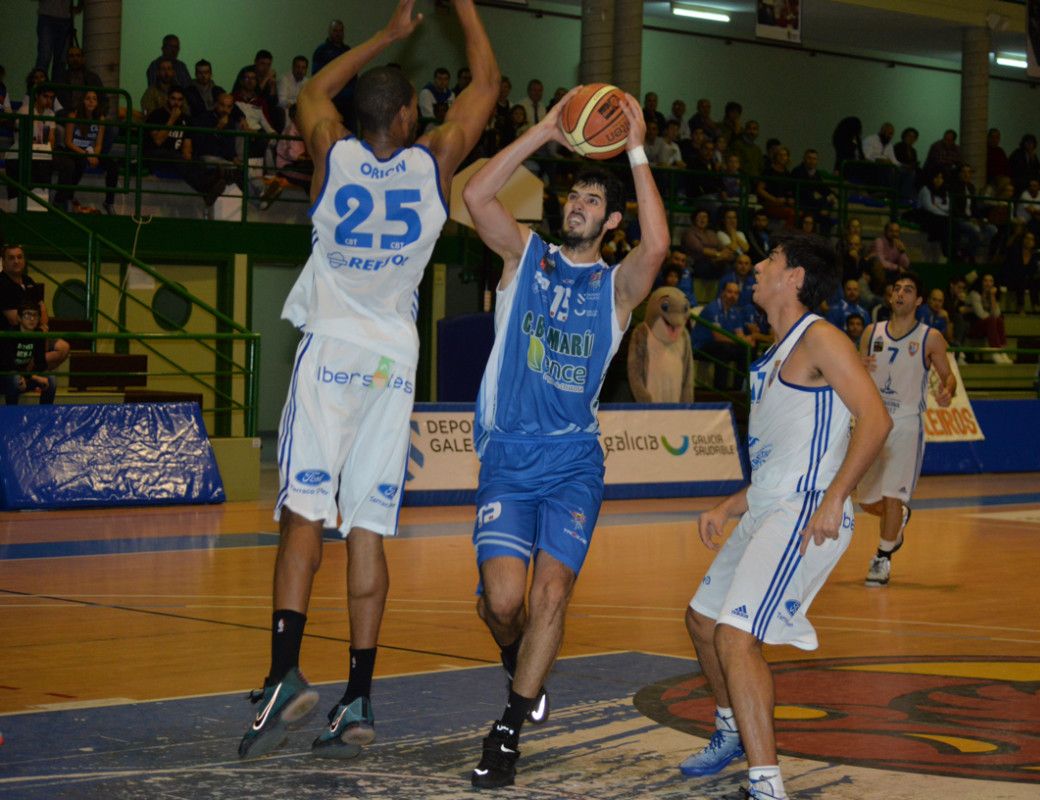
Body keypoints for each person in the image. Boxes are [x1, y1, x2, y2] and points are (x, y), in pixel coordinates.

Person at [237, 0, 498, 761]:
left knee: (302, 517)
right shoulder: (435, 161)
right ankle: (358, 698)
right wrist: (465, 9)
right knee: (369, 530)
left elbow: (315, 92)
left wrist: (387, 35)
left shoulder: (331, 151)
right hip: (392, 366)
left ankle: (286, 672)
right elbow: (487, 80)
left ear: (361, 117)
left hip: (329, 356)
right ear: (413, 118)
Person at [461, 81, 667, 789]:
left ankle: (510, 729)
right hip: (508, 457)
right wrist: (545, 130)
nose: (577, 207)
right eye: (572, 198)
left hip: (574, 462)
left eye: (591, 202)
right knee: (504, 604)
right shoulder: (525, 258)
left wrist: (637, 149)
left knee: (550, 598)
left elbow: (661, 243)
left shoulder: (616, 289)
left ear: (611, 221)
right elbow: (475, 198)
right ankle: (517, 660)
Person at [680, 235, 891, 800]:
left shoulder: (820, 336)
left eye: (769, 260)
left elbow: (875, 420)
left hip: (806, 512)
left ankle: (767, 784)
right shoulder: (772, 355)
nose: (756, 268)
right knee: (702, 621)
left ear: (794, 277)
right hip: (772, 505)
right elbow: (778, 463)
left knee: (736, 636)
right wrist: (728, 506)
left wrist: (835, 496)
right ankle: (729, 729)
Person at [858, 271, 955, 586]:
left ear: (919, 300)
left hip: (906, 423)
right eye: (896, 289)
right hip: (872, 422)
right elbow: (856, 371)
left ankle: (882, 559)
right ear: (890, 296)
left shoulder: (930, 337)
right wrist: (860, 366)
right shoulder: (871, 332)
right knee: (866, 500)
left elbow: (948, 375)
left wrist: (946, 390)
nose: (900, 294)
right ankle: (899, 518)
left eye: (908, 290)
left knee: (891, 496)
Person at [0, 245, 70, 371]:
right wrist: (38, 331)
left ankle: (34, 374)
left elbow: (42, 307)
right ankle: (26, 375)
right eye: (11, 258)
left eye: (19, 257)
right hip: (13, 338)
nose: (16, 261)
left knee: (63, 348)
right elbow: (14, 319)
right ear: (3, 262)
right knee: (37, 346)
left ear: (24, 260)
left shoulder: (28, 280)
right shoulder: (2, 284)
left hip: (35, 333)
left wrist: (42, 328)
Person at [1, 300, 57, 405]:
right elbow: (7, 366)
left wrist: (29, 377)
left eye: (35, 315)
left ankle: (44, 415)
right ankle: (12, 416)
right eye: (27, 314)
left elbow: (41, 364)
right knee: (15, 378)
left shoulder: (38, 335)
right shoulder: (10, 335)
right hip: (6, 377)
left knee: (51, 380)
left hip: (25, 376)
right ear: (19, 318)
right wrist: (31, 377)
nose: (32, 319)